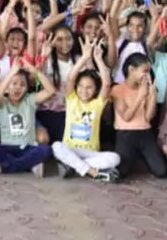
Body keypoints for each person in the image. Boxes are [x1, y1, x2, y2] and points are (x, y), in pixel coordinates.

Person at [51, 37, 121, 182]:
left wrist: (98, 59)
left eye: (89, 87)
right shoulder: (72, 100)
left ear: (96, 90)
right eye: (81, 86)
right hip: (71, 149)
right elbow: (71, 78)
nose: (84, 90)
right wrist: (84, 57)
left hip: (90, 153)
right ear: (76, 88)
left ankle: (74, 167)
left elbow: (106, 82)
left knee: (115, 158)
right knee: (56, 146)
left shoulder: (97, 104)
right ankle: (88, 170)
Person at [0, 62, 55, 177]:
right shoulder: (2, 104)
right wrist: (12, 72)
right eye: (13, 83)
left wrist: (34, 70)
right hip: (7, 148)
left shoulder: (30, 100)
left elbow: (51, 91)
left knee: (46, 150)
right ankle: (29, 164)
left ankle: (1, 167)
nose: (18, 87)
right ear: (6, 88)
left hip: (28, 147)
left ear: (26, 89)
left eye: (22, 84)